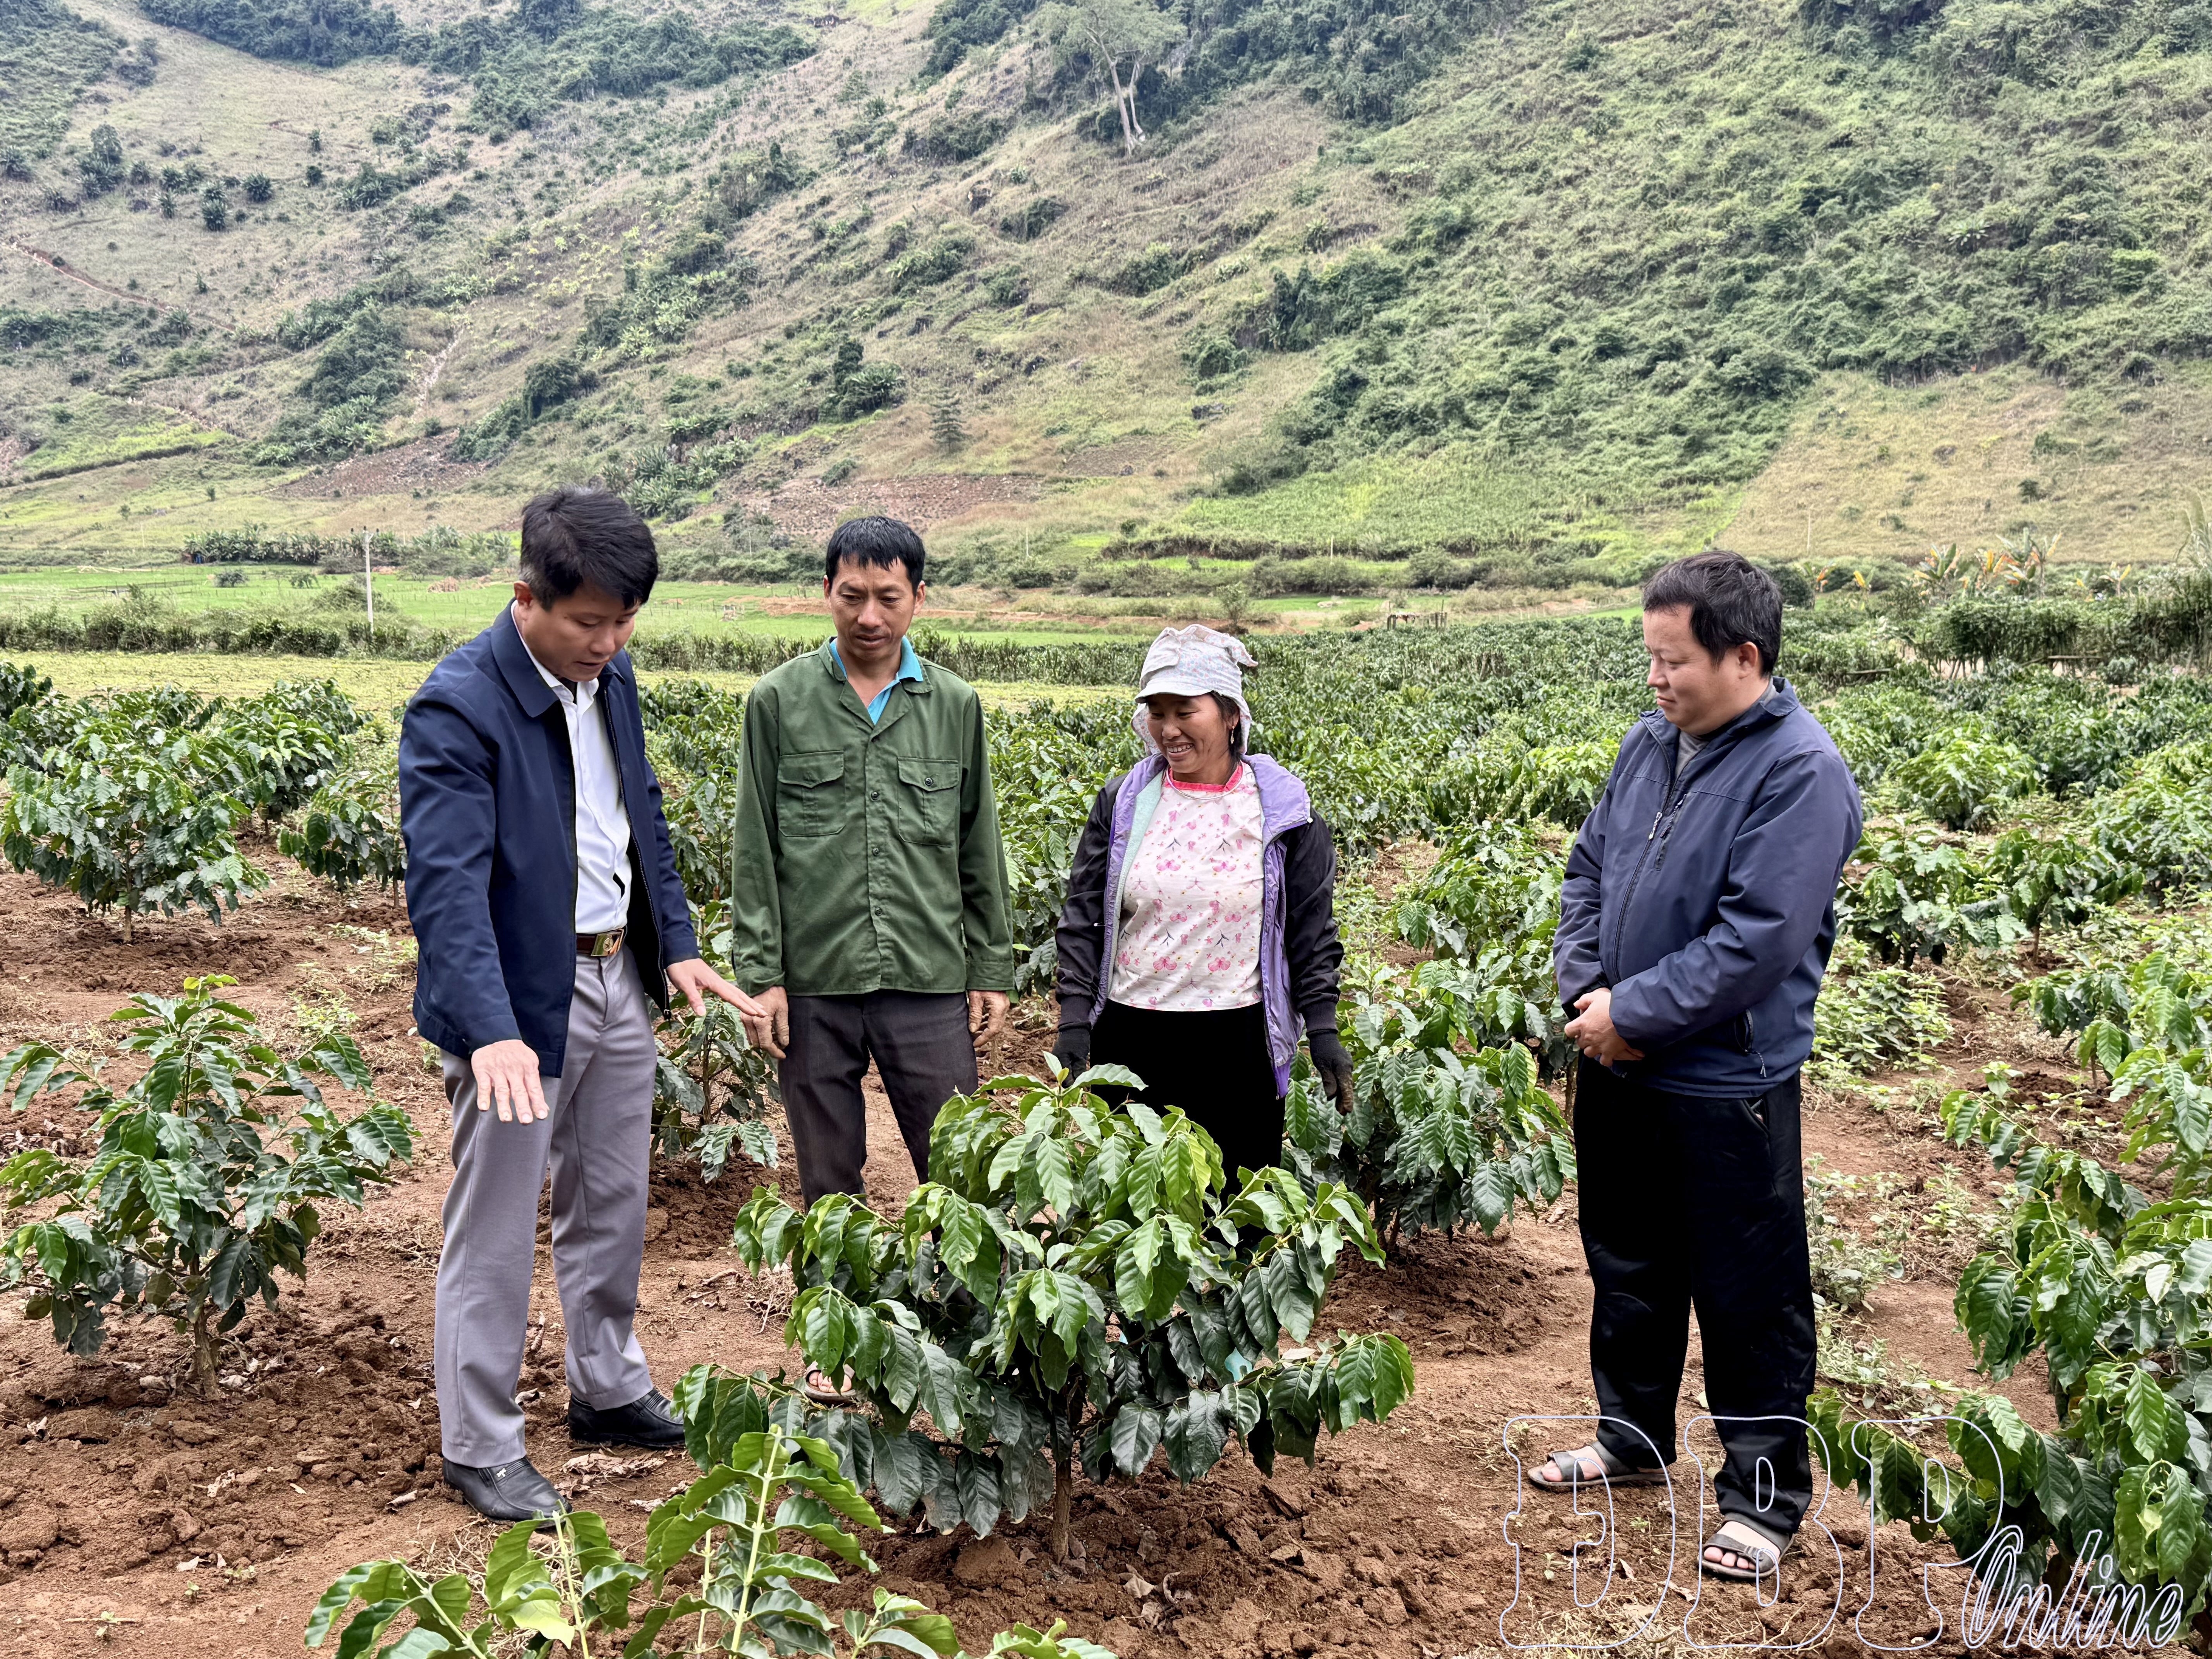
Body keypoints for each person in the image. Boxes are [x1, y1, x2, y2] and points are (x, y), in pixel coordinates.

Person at [402, 486, 764, 1524]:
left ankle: (606, 1386)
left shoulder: (610, 680)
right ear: (526, 597)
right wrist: (492, 1028)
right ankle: (480, 1444)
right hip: (519, 997)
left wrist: (678, 947)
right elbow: (448, 888)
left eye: (624, 621)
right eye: (588, 622)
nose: (609, 641)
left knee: (612, 1202)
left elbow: (636, 810)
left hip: (614, 979)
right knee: (500, 1221)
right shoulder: (458, 705)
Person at [1530, 551, 1862, 1582]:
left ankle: (1762, 1498)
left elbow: (1756, 940)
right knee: (1628, 1263)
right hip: (1622, 1064)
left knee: (1747, 1294)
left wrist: (1639, 1014)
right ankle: (1632, 1437)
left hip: (1726, 1083)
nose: (1656, 681)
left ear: (1744, 658)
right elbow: (1590, 869)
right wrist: (1590, 988)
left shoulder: (1801, 771)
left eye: (1673, 662)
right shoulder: (1651, 744)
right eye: (1651, 660)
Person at [726, 515, 1014, 1217]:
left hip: (928, 977)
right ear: (826, 592)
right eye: (852, 595)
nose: (869, 616)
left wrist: (991, 968)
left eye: (889, 596)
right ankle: (841, 1315)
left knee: (960, 1177)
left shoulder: (954, 705)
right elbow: (755, 850)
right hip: (814, 983)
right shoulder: (777, 703)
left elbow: (979, 845)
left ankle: (964, 1317)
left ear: (919, 597)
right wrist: (761, 978)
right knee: (829, 1187)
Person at [1049, 625, 1352, 1182]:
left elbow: (1310, 928)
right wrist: (1073, 1020)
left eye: (1185, 711)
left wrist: (1324, 1029)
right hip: (1132, 1033)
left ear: (1231, 714)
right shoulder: (1124, 801)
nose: (1168, 730)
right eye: (1157, 713)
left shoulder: (1281, 809)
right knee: (1135, 1203)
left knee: (1237, 1208)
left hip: (1237, 1041)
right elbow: (1084, 915)